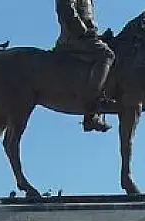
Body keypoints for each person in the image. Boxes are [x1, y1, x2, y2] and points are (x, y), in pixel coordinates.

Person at [53, 0, 116, 133]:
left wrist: (97, 36)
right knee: (106, 55)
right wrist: (84, 31)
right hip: (74, 38)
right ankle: (91, 108)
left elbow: (86, 18)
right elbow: (66, 11)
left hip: (86, 37)